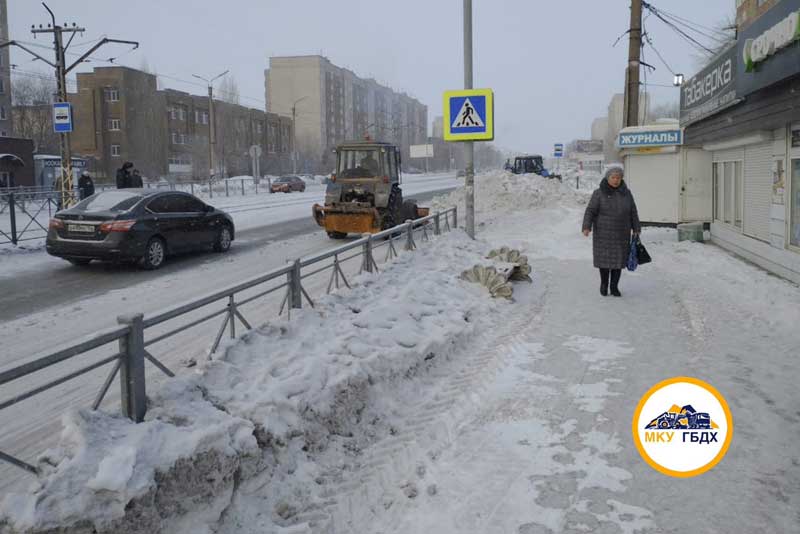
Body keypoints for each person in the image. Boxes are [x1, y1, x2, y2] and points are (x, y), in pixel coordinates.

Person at [582, 166, 641, 297]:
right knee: (604, 261)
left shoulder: (627, 193)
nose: (616, 180)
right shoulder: (599, 193)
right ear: (607, 178)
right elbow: (590, 210)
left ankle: (614, 286)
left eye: (618, 177)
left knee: (618, 261)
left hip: (621, 233)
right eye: (613, 177)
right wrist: (586, 226)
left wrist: (636, 228)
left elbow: (633, 211)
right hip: (603, 233)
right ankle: (604, 284)